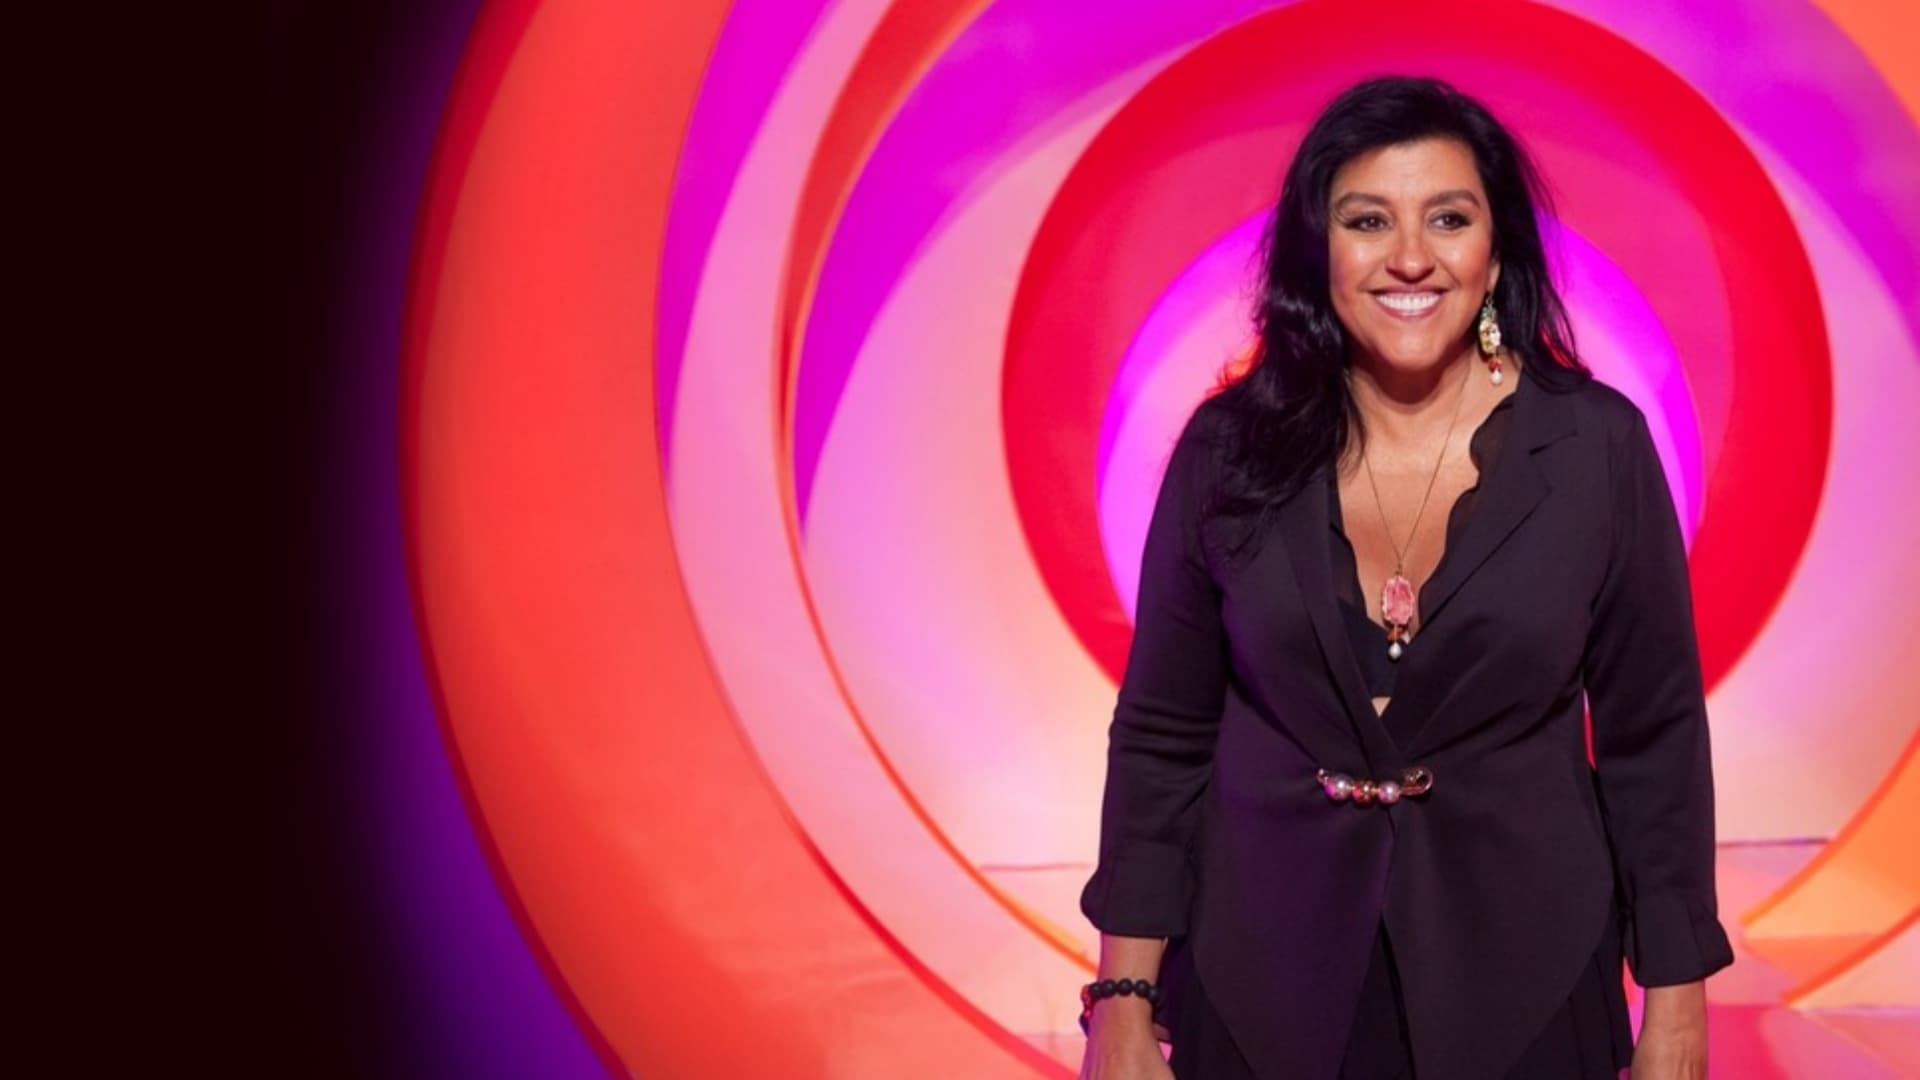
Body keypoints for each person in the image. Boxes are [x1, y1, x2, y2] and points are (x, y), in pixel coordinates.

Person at [1075, 76, 1733, 1080]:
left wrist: (1676, 1013)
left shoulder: (1596, 449)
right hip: (1258, 986)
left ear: (1496, 250)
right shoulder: (1226, 452)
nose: (1411, 256)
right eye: (1368, 220)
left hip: (1529, 987)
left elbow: (1655, 739)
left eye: (1449, 219)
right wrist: (1123, 1000)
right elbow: (1164, 734)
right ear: (1319, 250)